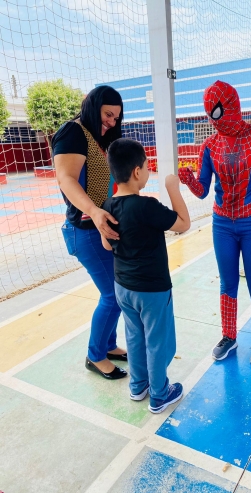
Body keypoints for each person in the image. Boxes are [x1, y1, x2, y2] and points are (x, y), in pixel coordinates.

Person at [178, 80, 251, 365]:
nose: (215, 121)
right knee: (227, 283)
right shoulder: (210, 145)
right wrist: (190, 180)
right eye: (209, 114)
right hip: (223, 223)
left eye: (217, 112)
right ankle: (229, 335)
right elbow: (202, 190)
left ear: (232, 106)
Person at [101, 139, 190, 413]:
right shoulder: (147, 206)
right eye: (147, 166)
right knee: (157, 341)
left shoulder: (108, 205)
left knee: (135, 337)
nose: (148, 170)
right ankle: (160, 394)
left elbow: (107, 244)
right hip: (152, 290)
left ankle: (138, 386)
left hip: (123, 287)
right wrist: (172, 188)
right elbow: (184, 224)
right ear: (137, 172)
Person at [53, 86, 127, 380]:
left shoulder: (100, 138)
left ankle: (108, 345)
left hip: (102, 226)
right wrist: (94, 211)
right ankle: (95, 356)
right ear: (93, 106)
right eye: (107, 114)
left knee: (118, 292)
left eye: (116, 118)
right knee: (112, 294)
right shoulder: (72, 132)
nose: (111, 122)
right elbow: (66, 179)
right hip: (83, 229)